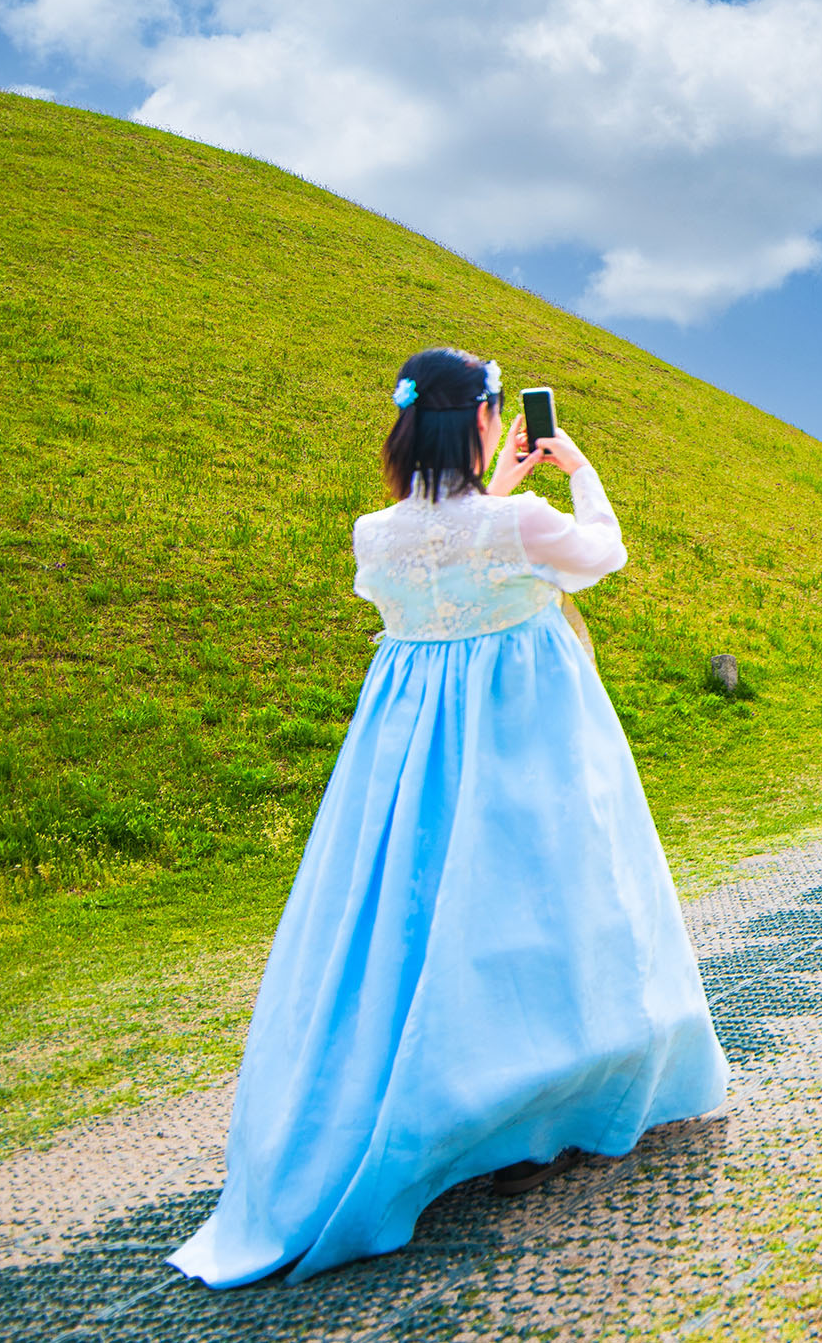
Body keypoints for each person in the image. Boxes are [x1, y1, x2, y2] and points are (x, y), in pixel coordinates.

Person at [171, 347, 726, 1287]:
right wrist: (577, 470)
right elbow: (599, 553)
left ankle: (460, 1104)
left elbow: (445, 563)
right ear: (481, 420)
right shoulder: (521, 521)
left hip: (412, 748)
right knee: (546, 898)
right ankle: (548, 1103)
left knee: (427, 913)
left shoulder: (371, 533)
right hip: (527, 735)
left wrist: (500, 491)